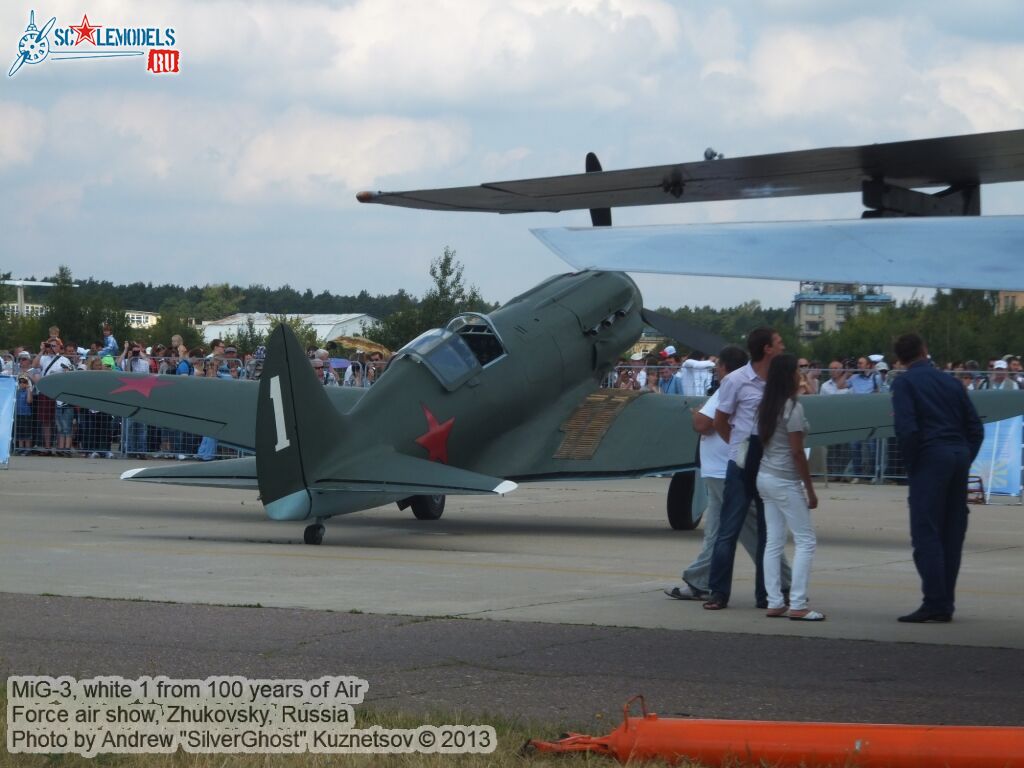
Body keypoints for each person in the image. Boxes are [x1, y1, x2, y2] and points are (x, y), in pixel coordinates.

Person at [665, 345, 791, 601]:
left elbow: (702, 424)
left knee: (746, 530)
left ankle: (783, 582)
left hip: (726, 472)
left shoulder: (728, 388)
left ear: (723, 367)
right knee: (719, 532)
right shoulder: (744, 387)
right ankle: (702, 582)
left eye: (718, 367)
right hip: (724, 470)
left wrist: (701, 413)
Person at [890, 333, 983, 623]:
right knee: (952, 532)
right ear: (925, 350)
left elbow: (907, 429)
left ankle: (934, 601)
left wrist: (912, 463)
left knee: (926, 531)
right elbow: (975, 428)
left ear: (901, 359)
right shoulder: (952, 382)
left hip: (930, 457)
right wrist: (965, 455)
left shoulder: (903, 383)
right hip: (957, 456)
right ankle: (946, 602)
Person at [703, 327, 785, 611]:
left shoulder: (778, 381)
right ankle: (718, 592)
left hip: (769, 458)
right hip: (742, 459)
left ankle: (766, 594)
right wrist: (737, 447)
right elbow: (720, 420)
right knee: (728, 529)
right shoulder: (736, 380)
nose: (782, 346)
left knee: (768, 531)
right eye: (778, 342)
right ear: (766, 349)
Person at [756, 354, 823, 621]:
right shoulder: (793, 408)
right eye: (798, 370)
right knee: (806, 541)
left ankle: (774, 600)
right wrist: (810, 489)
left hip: (765, 475)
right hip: (785, 479)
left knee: (773, 541)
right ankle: (797, 603)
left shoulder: (766, 406)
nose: (801, 374)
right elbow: (797, 452)